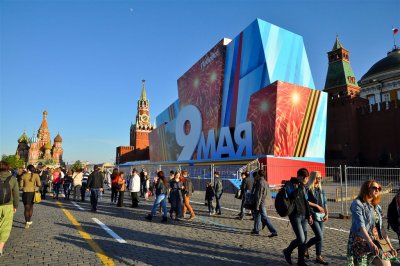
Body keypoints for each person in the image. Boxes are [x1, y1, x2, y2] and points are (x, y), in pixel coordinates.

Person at [346, 180, 397, 266]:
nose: (377, 190)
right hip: (361, 242)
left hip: (377, 241)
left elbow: (381, 228)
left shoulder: (377, 206)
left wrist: (390, 246)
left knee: (386, 265)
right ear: (367, 189)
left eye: (379, 188)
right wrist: (370, 243)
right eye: (374, 188)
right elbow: (361, 225)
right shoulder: (357, 204)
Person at [283, 168, 313, 266]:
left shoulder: (303, 187)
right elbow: (292, 197)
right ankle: (287, 251)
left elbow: (306, 202)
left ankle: (301, 261)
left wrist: (309, 215)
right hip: (295, 215)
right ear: (299, 177)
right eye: (305, 178)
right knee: (300, 238)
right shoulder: (290, 184)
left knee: (303, 240)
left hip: (304, 215)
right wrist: (299, 186)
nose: (306, 180)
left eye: (307, 178)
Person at [305, 171, 329, 265]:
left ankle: (318, 256)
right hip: (313, 214)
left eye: (320, 178)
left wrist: (327, 213)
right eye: (318, 178)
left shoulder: (320, 189)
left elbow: (325, 202)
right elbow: (305, 201)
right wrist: (317, 206)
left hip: (321, 215)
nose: (319, 180)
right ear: (313, 178)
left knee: (320, 238)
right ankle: (305, 247)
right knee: (319, 236)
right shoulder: (308, 189)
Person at [0, 161, 19, 256]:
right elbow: (16, 194)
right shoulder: (13, 179)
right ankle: (0, 248)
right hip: (8, 205)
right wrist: (15, 206)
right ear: (8, 168)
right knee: (5, 226)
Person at [251, 169, 278, 237]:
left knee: (264, 217)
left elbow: (259, 195)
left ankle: (273, 231)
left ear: (258, 175)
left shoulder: (260, 182)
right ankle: (256, 230)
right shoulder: (265, 181)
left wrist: (257, 205)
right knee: (257, 215)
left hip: (262, 202)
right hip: (265, 201)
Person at [20, 165, 41, 229]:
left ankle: (27, 221)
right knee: (31, 207)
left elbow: (21, 185)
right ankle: (29, 220)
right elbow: (39, 184)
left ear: (27, 169)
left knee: (26, 208)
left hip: (25, 192)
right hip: (33, 192)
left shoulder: (24, 175)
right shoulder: (36, 175)